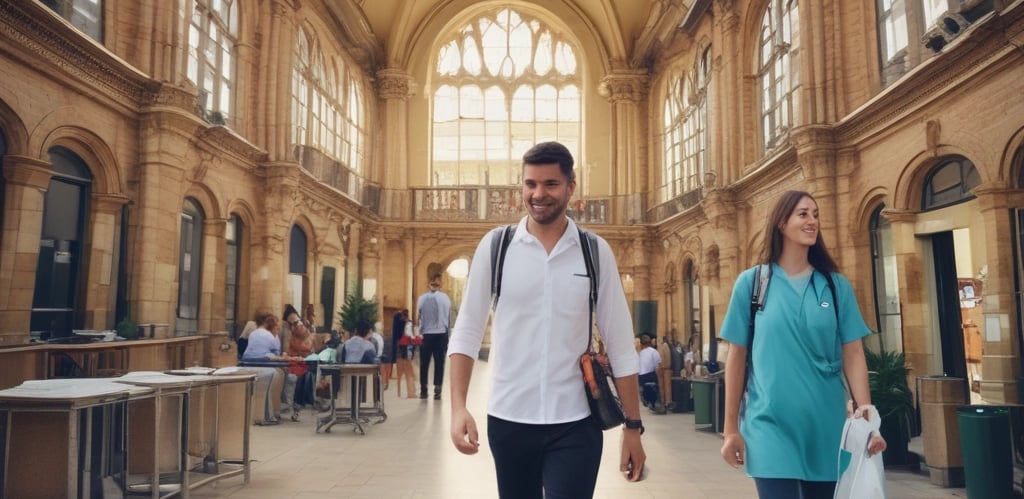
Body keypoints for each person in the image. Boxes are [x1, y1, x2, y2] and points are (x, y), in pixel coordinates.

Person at [447, 141, 646, 498]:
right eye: (530, 184)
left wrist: (633, 426)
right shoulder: (497, 247)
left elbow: (620, 344)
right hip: (509, 419)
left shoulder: (594, 252)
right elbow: (466, 332)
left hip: (577, 421)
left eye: (550, 184)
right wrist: (458, 407)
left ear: (571, 186)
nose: (539, 194)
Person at [718, 190, 886, 499]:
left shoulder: (836, 287)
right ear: (781, 223)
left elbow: (853, 353)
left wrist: (867, 418)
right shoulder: (752, 284)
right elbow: (736, 356)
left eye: (816, 214)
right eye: (803, 214)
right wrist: (731, 430)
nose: (812, 221)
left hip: (825, 424)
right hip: (768, 424)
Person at [241, 314, 303, 425]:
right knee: (290, 376)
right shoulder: (272, 336)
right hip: (264, 361)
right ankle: (280, 408)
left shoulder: (253, 333)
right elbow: (276, 355)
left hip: (247, 361)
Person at [417, 273, 451, 400]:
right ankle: (438, 389)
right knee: (439, 363)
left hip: (426, 334)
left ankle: (423, 389)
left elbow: (418, 317)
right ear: (440, 284)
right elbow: (448, 319)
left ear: (428, 283)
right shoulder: (445, 298)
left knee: (424, 363)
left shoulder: (422, 298)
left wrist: (418, 332)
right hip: (441, 334)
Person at [637, 334, 661, 411]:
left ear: (641, 344)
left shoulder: (640, 353)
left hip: (640, 377)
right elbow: (658, 366)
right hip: (650, 375)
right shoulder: (654, 352)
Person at [656, 335, 674, 408]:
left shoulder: (663, 347)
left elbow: (661, 357)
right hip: (667, 368)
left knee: (662, 386)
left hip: (663, 368)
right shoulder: (668, 347)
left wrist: (660, 365)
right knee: (667, 386)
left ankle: (664, 401)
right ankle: (668, 401)